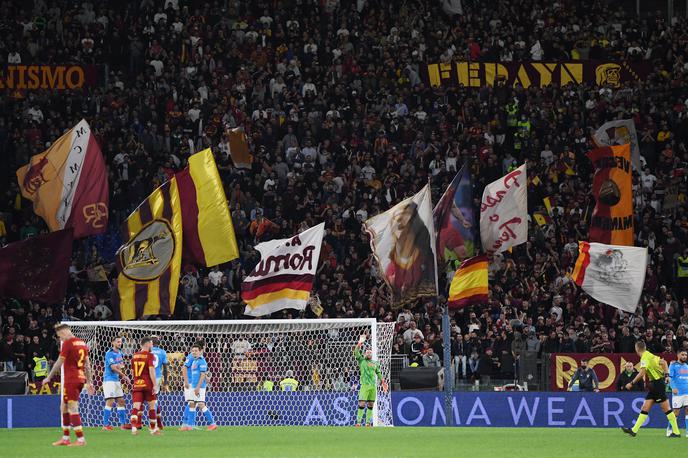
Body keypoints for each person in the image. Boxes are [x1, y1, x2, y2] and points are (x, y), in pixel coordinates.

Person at [42, 323, 94, 447]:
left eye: (60, 336)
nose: (60, 339)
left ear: (64, 332)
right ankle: (65, 438)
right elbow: (87, 364)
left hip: (72, 379)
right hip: (80, 379)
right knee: (64, 407)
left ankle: (81, 440)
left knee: (72, 408)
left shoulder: (68, 343)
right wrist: (89, 381)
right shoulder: (82, 343)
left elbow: (60, 361)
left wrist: (49, 377)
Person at [622, 340, 680, 437]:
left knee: (666, 408)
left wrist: (631, 383)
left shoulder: (645, 357)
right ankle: (634, 430)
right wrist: (666, 375)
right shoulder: (650, 355)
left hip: (657, 383)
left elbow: (642, 373)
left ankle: (676, 432)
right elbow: (664, 362)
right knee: (645, 407)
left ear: (637, 348)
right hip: (655, 384)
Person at [384, 201, 435, 305]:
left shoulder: (418, 229)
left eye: (407, 213)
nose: (404, 217)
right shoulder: (393, 266)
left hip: (422, 264)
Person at [353, 334, 389, 427]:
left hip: (373, 386)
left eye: (370, 352)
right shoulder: (361, 360)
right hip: (365, 385)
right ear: (365, 354)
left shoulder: (375, 363)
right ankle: (358, 422)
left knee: (371, 404)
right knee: (361, 403)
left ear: (372, 354)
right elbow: (356, 351)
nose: (369, 354)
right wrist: (359, 343)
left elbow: (378, 372)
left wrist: (382, 381)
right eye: (367, 352)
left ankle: (368, 423)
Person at [182, 341, 217, 431]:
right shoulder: (194, 361)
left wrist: (197, 387)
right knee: (192, 404)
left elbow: (202, 375)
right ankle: (189, 426)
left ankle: (212, 423)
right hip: (194, 386)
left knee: (201, 404)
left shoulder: (202, 361)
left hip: (199, 387)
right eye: (192, 350)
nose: (194, 352)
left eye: (196, 351)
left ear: (200, 351)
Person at [130, 337, 160, 436]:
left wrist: (135, 381)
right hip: (148, 384)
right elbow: (151, 371)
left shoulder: (134, 356)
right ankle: (153, 429)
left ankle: (134, 428)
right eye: (151, 344)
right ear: (147, 344)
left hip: (137, 384)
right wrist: (155, 384)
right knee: (151, 406)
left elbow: (132, 372)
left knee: (136, 407)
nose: (152, 346)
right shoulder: (150, 355)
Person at [102, 336, 131, 430]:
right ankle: (105, 425)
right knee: (110, 401)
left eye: (120, 342)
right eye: (118, 342)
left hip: (116, 380)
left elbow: (121, 365)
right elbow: (113, 367)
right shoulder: (109, 353)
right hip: (109, 379)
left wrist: (119, 367)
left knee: (121, 401)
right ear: (112, 343)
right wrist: (124, 375)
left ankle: (122, 425)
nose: (120, 343)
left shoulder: (120, 353)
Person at [667, 350, 688, 436]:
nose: (684, 356)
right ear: (678, 355)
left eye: (686, 355)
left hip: (687, 392)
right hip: (677, 393)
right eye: (682, 354)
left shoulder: (687, 366)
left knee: (687, 410)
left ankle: (687, 432)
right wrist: (673, 387)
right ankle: (669, 429)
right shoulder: (673, 365)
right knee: (676, 412)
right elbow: (669, 378)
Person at [150, 335, 169, 430]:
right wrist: (165, 382)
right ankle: (158, 422)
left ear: (151, 343)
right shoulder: (162, 352)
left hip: (147, 377)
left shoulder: (147, 351)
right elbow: (165, 368)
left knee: (142, 400)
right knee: (154, 399)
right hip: (157, 378)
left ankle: (139, 422)